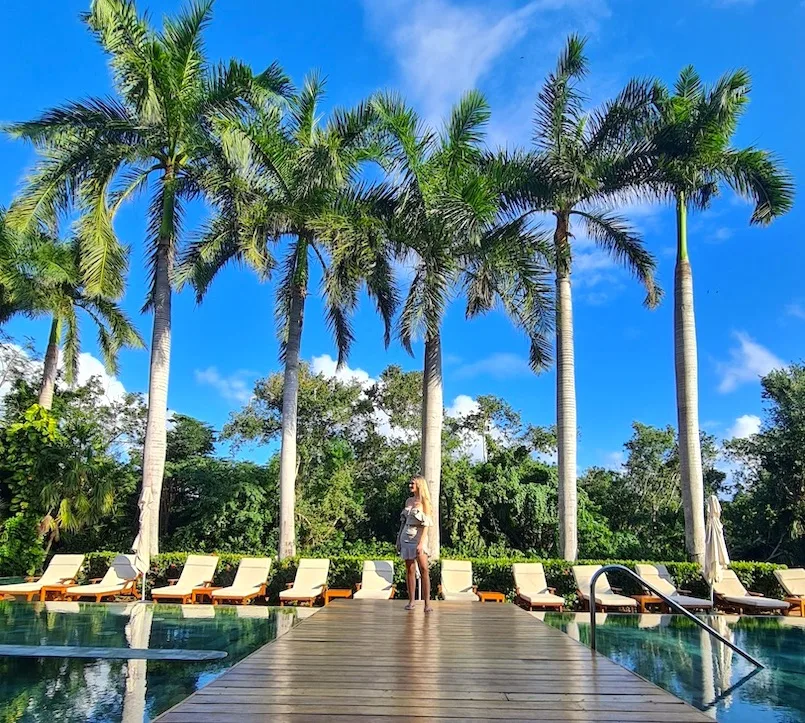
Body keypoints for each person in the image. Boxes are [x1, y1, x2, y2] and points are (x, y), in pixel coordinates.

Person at [396, 475, 433, 611]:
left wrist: (421, 543)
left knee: (424, 569)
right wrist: (398, 539)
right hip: (406, 536)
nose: (410, 485)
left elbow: (427, 524)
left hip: (418, 537)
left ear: (419, 485)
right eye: (410, 483)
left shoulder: (425, 502)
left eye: (413, 483)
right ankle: (411, 601)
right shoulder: (408, 501)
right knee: (410, 569)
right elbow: (403, 523)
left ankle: (427, 603)